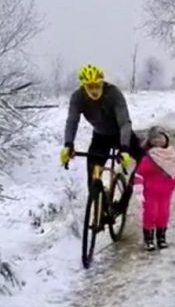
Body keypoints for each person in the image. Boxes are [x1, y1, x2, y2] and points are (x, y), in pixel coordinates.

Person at [59, 64, 143, 216]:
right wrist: (68, 144)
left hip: (121, 134)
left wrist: (124, 148)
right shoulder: (77, 97)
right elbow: (72, 121)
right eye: (89, 87)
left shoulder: (113, 93)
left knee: (143, 161)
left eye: (97, 85)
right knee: (92, 173)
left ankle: (122, 204)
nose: (94, 90)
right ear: (83, 86)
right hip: (101, 137)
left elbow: (125, 123)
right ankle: (101, 202)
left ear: (102, 82)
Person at [133, 125, 175, 251]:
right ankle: (148, 238)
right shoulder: (148, 158)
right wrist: (139, 190)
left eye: (160, 138)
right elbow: (140, 173)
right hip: (151, 192)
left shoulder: (173, 156)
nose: (158, 141)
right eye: (154, 139)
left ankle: (161, 236)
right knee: (150, 213)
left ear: (166, 139)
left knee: (164, 214)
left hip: (166, 192)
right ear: (150, 142)